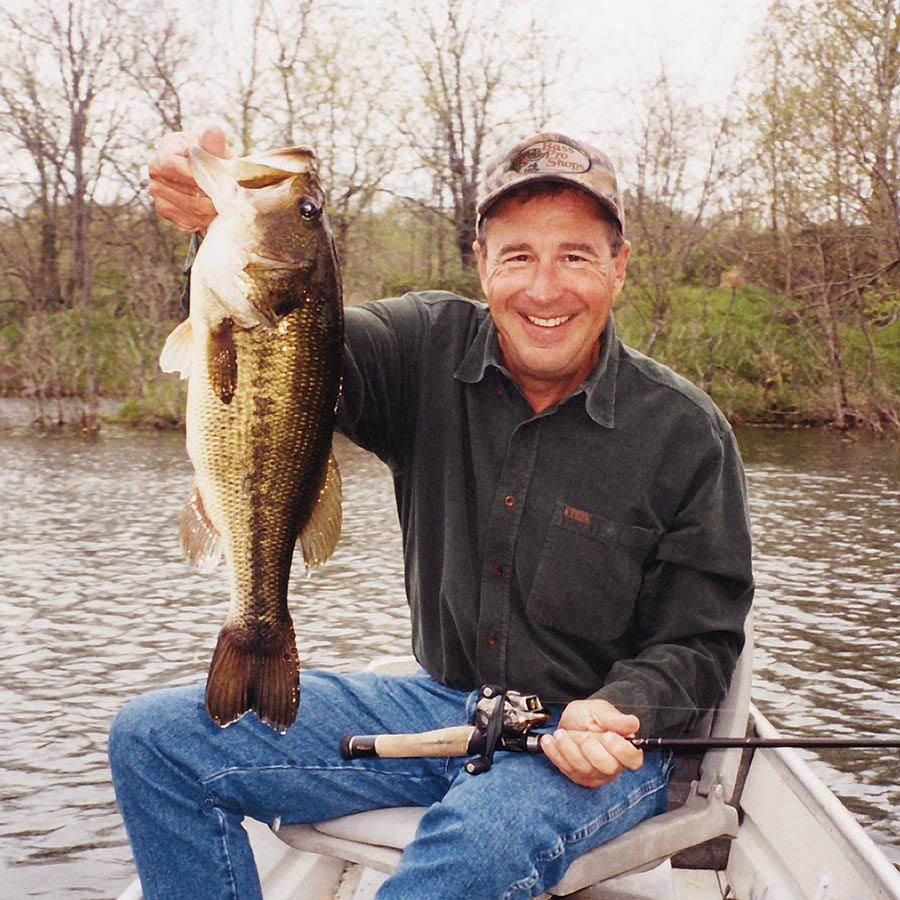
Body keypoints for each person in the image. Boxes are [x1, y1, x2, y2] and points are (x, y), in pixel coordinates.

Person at [109, 129, 753, 900]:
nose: (544, 288)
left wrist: (622, 707)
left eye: (575, 256)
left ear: (618, 267)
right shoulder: (423, 348)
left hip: (591, 747)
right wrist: (206, 222)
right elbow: (290, 345)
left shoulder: (684, 431)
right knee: (155, 740)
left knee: (474, 843)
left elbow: (701, 638)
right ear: (481, 264)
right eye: (517, 256)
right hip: (440, 703)